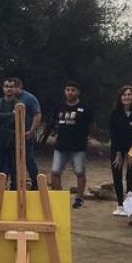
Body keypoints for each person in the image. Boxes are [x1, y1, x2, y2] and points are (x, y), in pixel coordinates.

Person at [48, 81, 93, 209]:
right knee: (55, 172)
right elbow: (54, 123)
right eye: (67, 90)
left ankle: (79, 198)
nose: (70, 92)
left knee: (79, 172)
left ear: (77, 92)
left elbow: (91, 126)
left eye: (73, 90)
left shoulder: (85, 109)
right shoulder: (59, 107)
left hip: (78, 147)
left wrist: (85, 139)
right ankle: (58, 196)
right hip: (60, 146)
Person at [108, 86, 132, 216]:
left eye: (129, 95)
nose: (126, 97)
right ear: (120, 98)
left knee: (131, 176)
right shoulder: (115, 113)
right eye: (124, 95)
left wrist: (131, 153)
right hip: (117, 148)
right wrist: (119, 153)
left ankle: (129, 206)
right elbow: (113, 134)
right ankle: (120, 204)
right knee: (117, 175)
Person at [0, 80, 20, 189]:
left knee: (14, 166)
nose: (9, 89)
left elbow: (19, 119)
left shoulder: (19, 104)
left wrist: (1, 115)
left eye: (11, 86)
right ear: (3, 88)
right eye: (6, 86)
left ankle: (15, 189)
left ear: (15, 88)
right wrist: (11, 114)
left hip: (14, 140)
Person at [12, 78, 43, 188]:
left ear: (20, 87)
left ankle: (35, 182)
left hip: (26, 134)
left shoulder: (29, 98)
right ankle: (15, 183)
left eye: (14, 87)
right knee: (13, 160)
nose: (12, 90)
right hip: (13, 134)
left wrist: (32, 130)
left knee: (29, 159)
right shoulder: (10, 99)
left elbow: (37, 114)